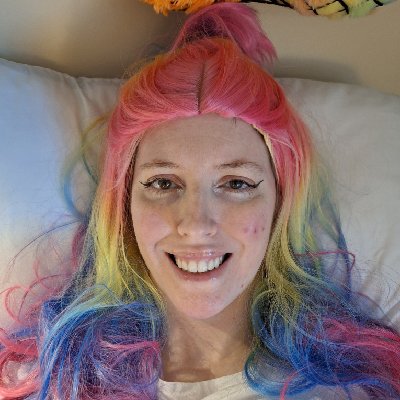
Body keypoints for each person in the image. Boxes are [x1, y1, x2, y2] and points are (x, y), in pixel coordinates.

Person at [1, 3, 400, 400]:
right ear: (124, 204)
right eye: (163, 183)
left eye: (236, 184)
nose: (195, 224)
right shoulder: (48, 379)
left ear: (280, 202)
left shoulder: (354, 390)